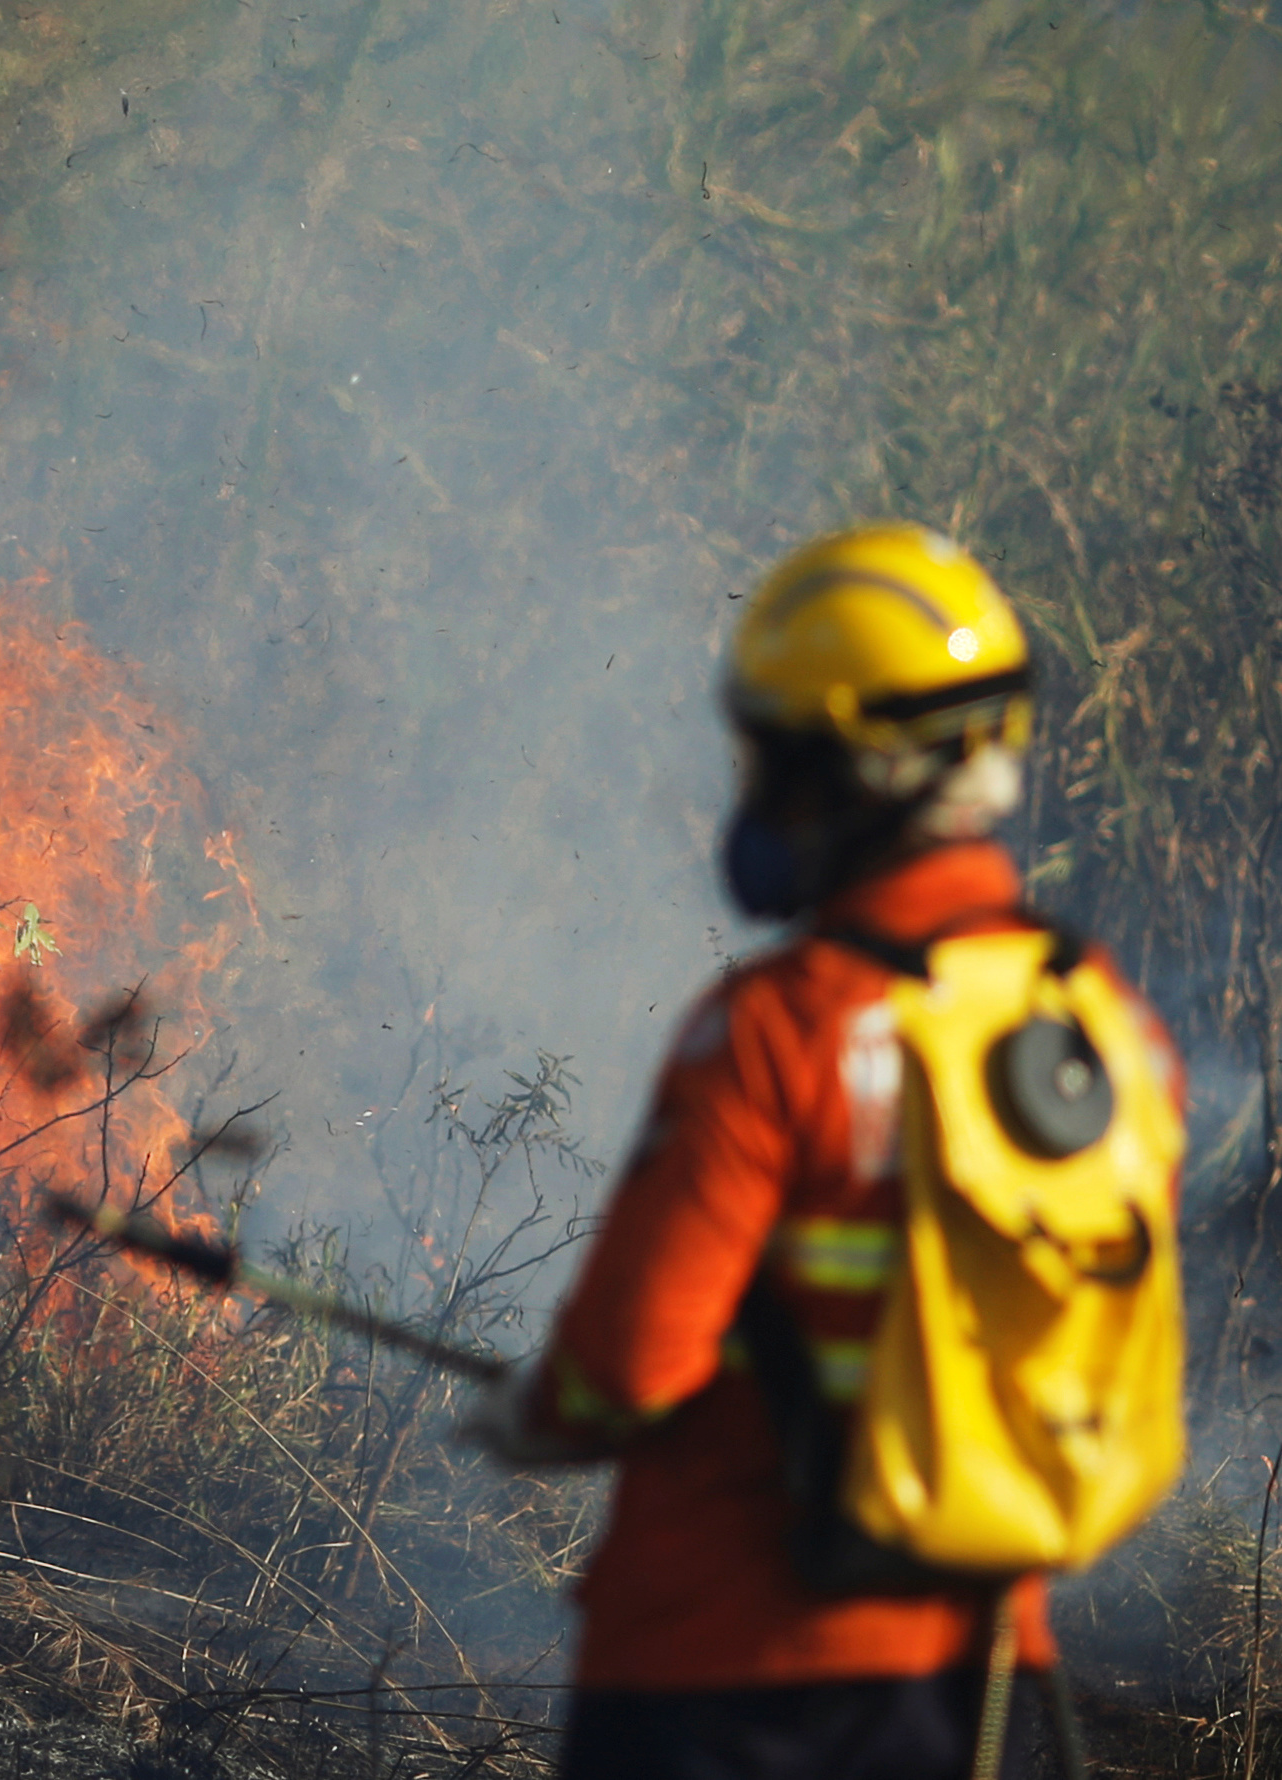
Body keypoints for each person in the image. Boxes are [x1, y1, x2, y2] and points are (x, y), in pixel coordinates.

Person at [465, 523, 1183, 1780]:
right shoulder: (1109, 1029)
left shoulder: (782, 1027)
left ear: (856, 770)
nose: (755, 795)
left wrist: (535, 1413)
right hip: (985, 1686)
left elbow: (628, 1366)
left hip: (732, 1682)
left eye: (775, 759)